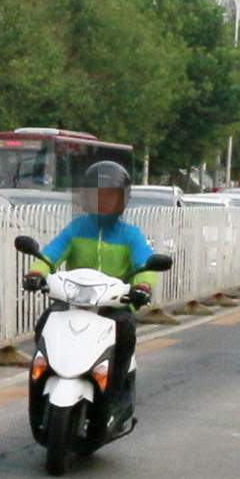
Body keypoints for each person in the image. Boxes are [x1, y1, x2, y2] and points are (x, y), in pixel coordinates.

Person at [24, 159, 156, 416]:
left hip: (112, 306)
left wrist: (143, 286)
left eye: (110, 196)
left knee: (126, 330)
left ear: (123, 200)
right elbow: (49, 256)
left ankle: (115, 391)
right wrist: (35, 273)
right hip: (72, 301)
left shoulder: (131, 235)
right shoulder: (76, 229)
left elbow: (146, 265)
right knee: (44, 322)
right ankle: (42, 379)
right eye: (97, 196)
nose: (103, 202)